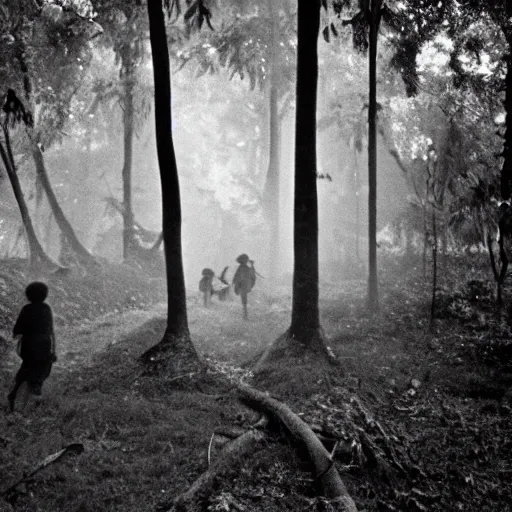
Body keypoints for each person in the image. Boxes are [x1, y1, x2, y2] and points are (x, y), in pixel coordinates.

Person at [7, 282, 57, 413]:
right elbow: (51, 330)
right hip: (44, 345)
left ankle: (15, 392)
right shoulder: (46, 308)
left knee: (26, 367)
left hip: (29, 345)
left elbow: (17, 329)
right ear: (45, 296)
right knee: (42, 369)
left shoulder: (27, 309)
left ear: (28, 296)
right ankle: (34, 397)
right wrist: (54, 350)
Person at [232, 254, 256, 319]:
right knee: (244, 300)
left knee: (244, 300)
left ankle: (245, 314)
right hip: (243, 285)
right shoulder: (243, 267)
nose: (242, 262)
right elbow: (236, 275)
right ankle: (245, 314)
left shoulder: (248, 267)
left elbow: (253, 276)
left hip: (244, 285)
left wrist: (251, 284)